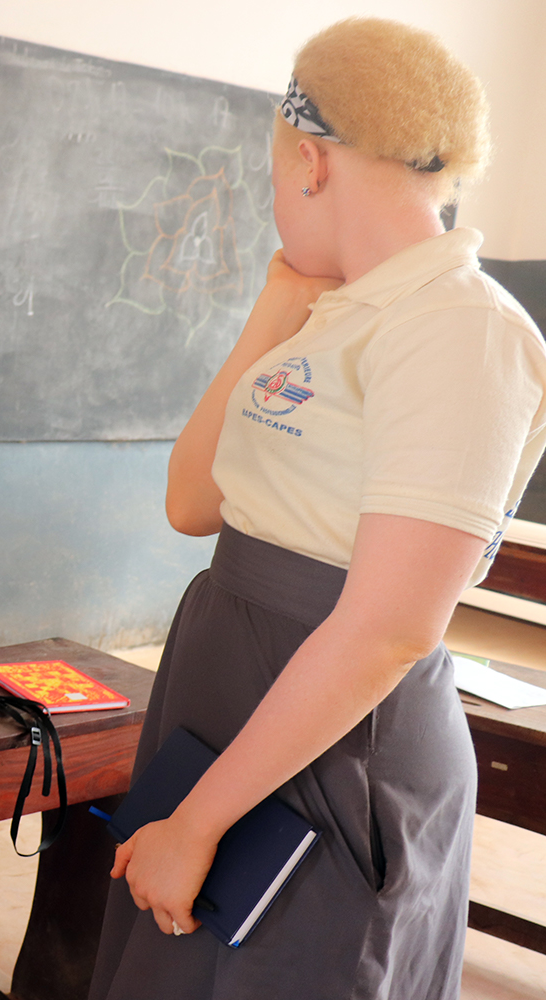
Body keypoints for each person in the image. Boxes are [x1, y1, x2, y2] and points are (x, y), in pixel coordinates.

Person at [89, 18, 546, 1000]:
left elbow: (385, 628)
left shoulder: (459, 328)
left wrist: (200, 822)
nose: (273, 207)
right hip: (236, 695)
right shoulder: (339, 309)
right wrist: (277, 304)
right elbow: (192, 500)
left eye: (271, 184)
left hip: (334, 735)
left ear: (308, 162)